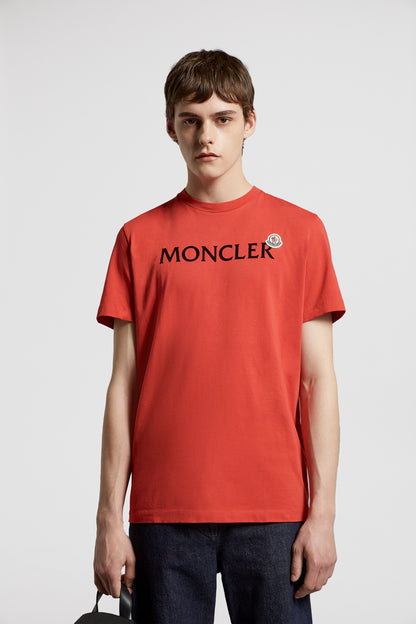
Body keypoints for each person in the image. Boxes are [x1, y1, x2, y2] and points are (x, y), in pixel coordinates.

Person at [93, 49, 346, 624]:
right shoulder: (139, 238)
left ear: (249, 122)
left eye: (222, 118)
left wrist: (323, 514)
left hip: (274, 509)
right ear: (171, 127)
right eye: (191, 120)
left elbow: (318, 381)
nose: (206, 135)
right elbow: (123, 385)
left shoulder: (300, 232)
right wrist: (109, 518)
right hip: (164, 511)